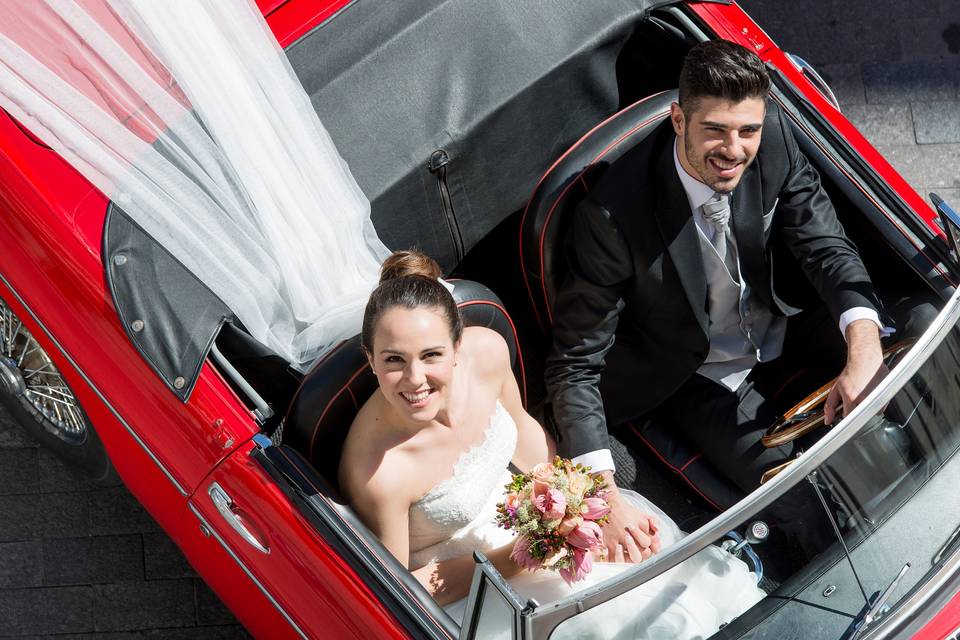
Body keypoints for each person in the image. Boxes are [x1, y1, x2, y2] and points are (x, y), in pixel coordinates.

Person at [545, 39, 892, 557]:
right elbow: (574, 363)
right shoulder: (612, 216)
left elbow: (825, 246)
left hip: (786, 324)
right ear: (679, 120)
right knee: (805, 502)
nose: (734, 150)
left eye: (747, 130)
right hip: (695, 373)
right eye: (715, 130)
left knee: (925, 323)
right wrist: (602, 491)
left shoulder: (773, 138)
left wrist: (863, 347)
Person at [340, 249, 764, 639]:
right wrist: (521, 555)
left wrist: (588, 506)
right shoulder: (378, 471)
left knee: (685, 585)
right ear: (369, 357)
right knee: (664, 623)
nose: (415, 380)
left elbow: (524, 433)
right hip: (475, 583)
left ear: (457, 348)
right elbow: (403, 591)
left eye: (430, 355)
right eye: (394, 359)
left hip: (536, 517)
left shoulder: (486, 351)